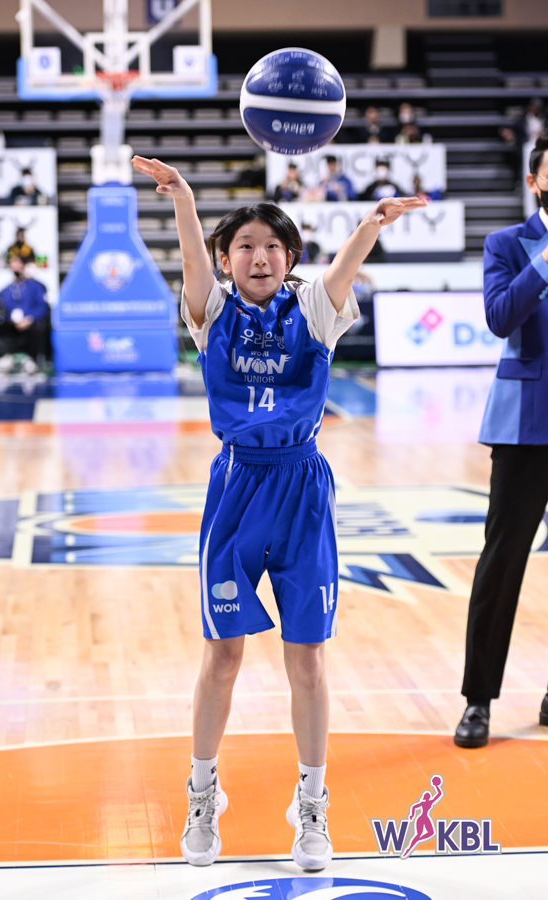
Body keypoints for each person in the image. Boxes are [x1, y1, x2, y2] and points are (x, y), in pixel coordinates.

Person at [131, 154, 425, 870]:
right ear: (226, 260)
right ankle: (203, 793)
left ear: (290, 257)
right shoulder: (213, 313)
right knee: (222, 655)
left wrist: (371, 223)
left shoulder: (314, 311)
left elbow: (344, 269)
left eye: (271, 246)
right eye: (244, 246)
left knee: (308, 658)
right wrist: (184, 200)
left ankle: (312, 804)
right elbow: (191, 261)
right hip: (237, 486)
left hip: (301, 488)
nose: (258, 257)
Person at [454, 130, 548, 749]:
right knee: (502, 563)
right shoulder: (507, 244)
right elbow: (499, 317)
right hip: (524, 429)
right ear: (534, 181)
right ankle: (478, 700)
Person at [0, 255, 51, 375]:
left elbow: (42, 307)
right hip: (10, 323)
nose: (16, 267)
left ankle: (32, 360)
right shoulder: (6, 290)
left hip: (30, 323)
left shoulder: (36, 286)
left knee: (38, 327)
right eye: (13, 264)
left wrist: (29, 318)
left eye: (18, 264)